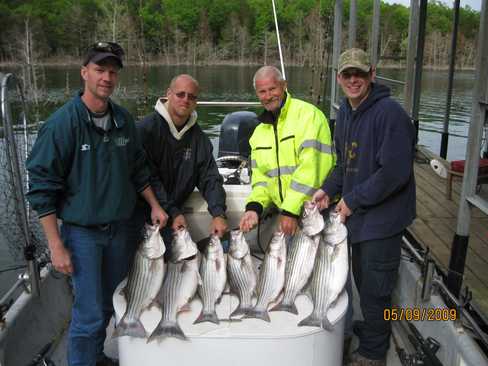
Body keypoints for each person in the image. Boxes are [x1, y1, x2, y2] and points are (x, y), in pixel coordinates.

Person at [26, 42, 168, 366]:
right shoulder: (61, 125)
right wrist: (56, 245)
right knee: (88, 315)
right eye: (100, 70)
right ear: (84, 72)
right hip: (83, 236)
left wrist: (155, 205)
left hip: (120, 232)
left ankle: (96, 356)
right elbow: (41, 189)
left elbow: (137, 170)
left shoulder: (123, 121)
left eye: (113, 72)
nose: (107, 77)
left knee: (109, 305)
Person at [313, 48, 416, 366]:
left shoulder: (390, 114)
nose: (353, 79)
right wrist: (327, 191)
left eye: (359, 73)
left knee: (375, 289)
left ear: (372, 74)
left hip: (383, 221)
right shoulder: (344, 113)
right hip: (357, 218)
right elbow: (345, 165)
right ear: (338, 78)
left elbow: (394, 174)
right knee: (361, 280)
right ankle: (370, 330)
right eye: (347, 74)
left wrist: (351, 201)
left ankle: (372, 353)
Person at [136, 74, 228, 252]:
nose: (186, 100)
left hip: (171, 221)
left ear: (196, 102)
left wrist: (218, 213)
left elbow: (210, 178)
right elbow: (147, 178)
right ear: (168, 94)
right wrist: (174, 212)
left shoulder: (199, 139)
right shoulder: (145, 131)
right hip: (140, 217)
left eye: (192, 97)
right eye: (180, 94)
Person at [239, 66, 334, 235]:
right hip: (286, 217)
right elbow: (261, 180)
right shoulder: (258, 133)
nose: (268, 96)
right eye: (262, 92)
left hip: (316, 213)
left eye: (272, 89)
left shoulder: (308, 116)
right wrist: (254, 208)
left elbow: (311, 170)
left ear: (284, 86)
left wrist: (290, 210)